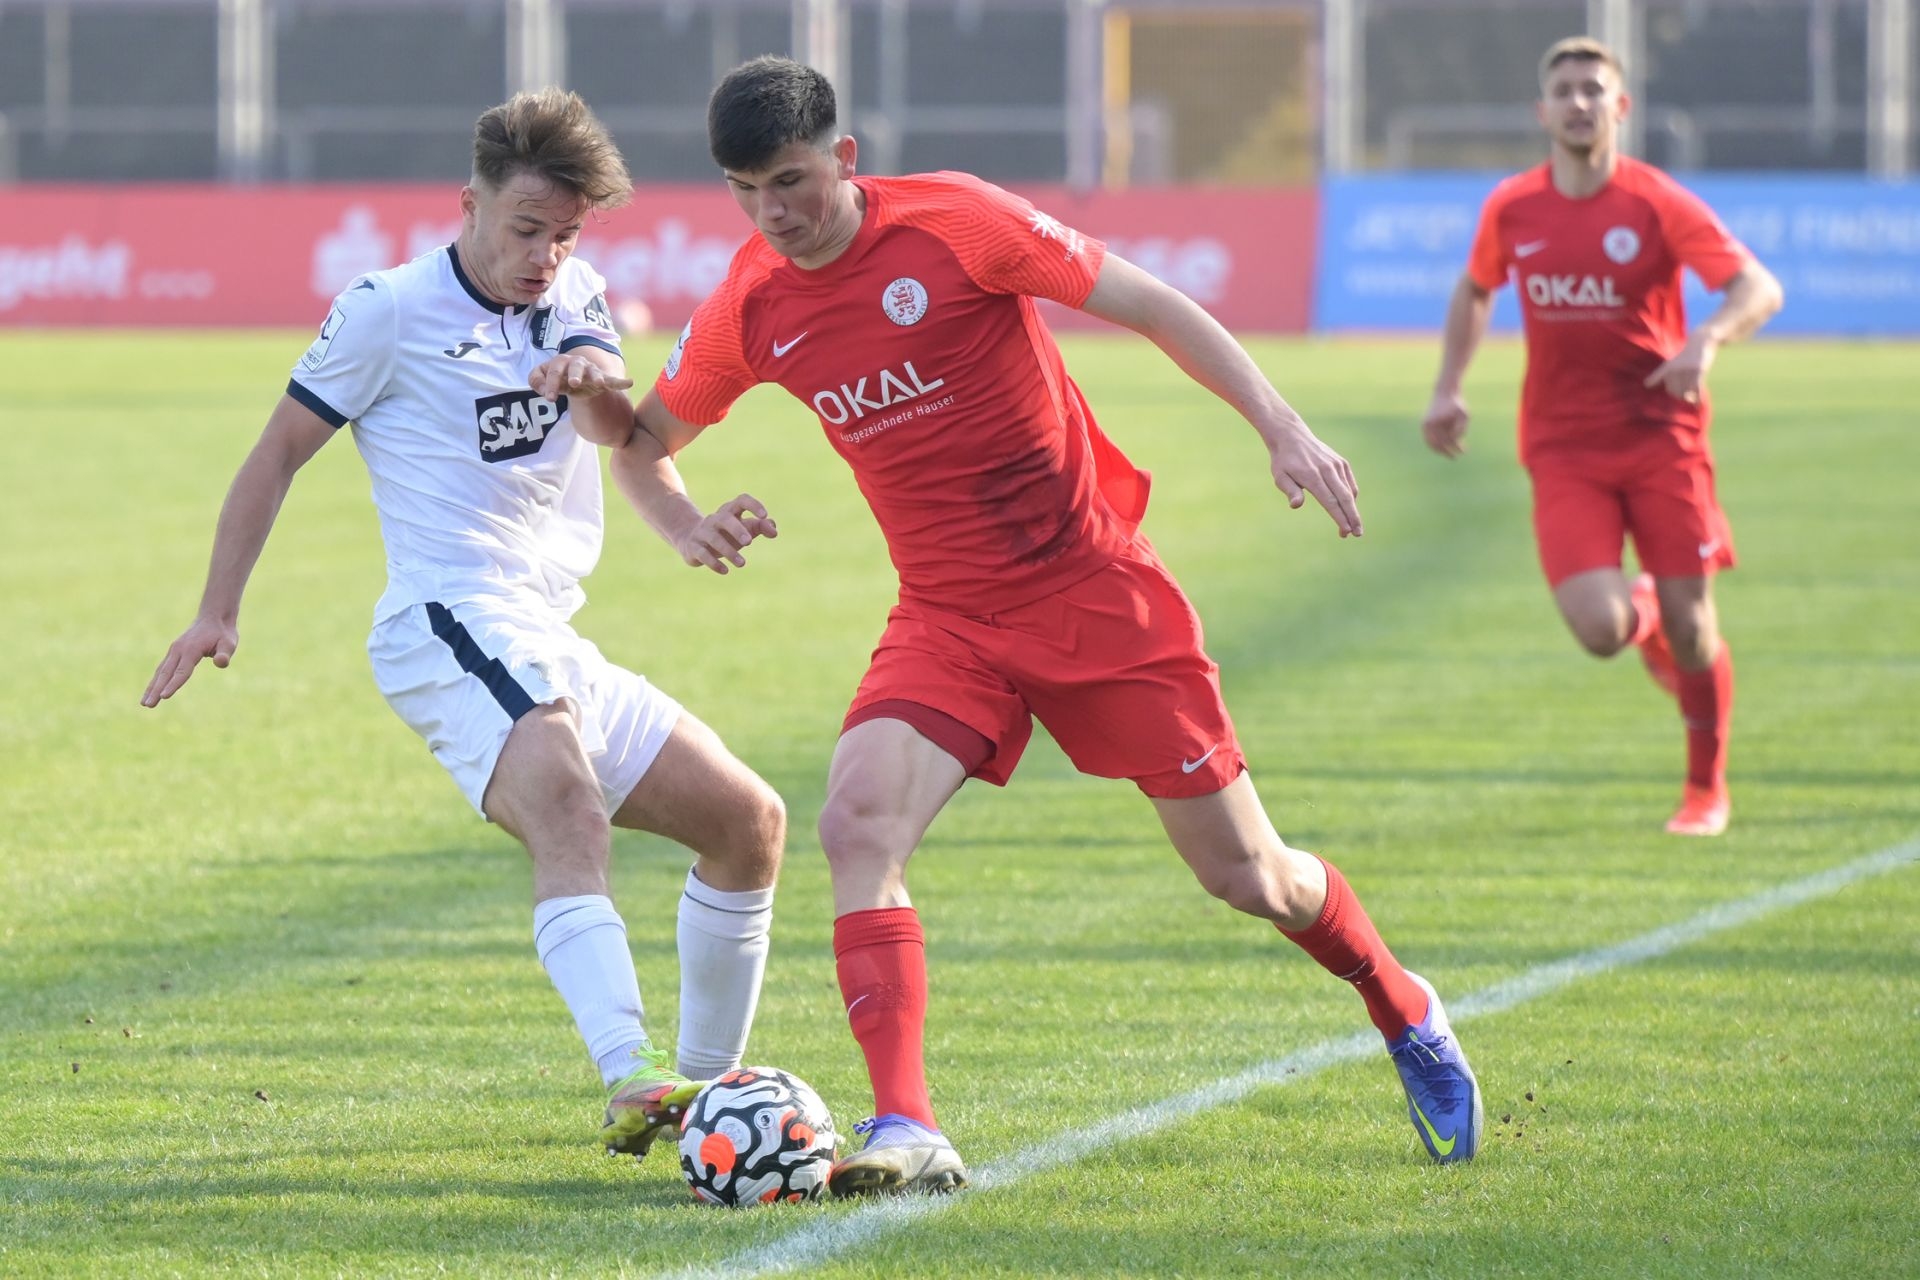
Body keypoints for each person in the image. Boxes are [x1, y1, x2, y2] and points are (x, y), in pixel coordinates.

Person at [560, 56, 1482, 1196]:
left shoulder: (956, 224)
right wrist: (683, 521)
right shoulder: (752, 301)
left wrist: (1279, 425)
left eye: (791, 180)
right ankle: (908, 1123)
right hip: (948, 616)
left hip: (1097, 590)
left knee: (1251, 875)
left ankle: (1402, 1004)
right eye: (747, 190)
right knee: (856, 822)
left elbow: (1148, 300)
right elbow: (642, 444)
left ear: (844, 159)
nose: (773, 213)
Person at [141, 88, 785, 1161]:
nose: (545, 254)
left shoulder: (576, 287)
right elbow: (275, 453)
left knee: (749, 822)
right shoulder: (386, 308)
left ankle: (708, 1101)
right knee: (567, 804)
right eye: (526, 227)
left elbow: (616, 429)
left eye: (566, 233)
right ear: (471, 201)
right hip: (444, 615)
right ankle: (632, 1071)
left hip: (546, 628)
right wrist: (218, 607)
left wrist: (674, 509)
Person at [1422, 36, 1783, 837]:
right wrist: (1448, 387)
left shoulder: (1657, 202)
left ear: (1620, 107)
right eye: (1566, 89)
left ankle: (1705, 791)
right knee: (1601, 630)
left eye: (1594, 89)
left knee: (1696, 633)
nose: (1580, 102)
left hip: (1663, 438)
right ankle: (1643, 610)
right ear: (1542, 110)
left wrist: (1709, 339)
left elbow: (1758, 286)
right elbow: (1477, 288)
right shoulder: (1513, 206)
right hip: (1564, 448)